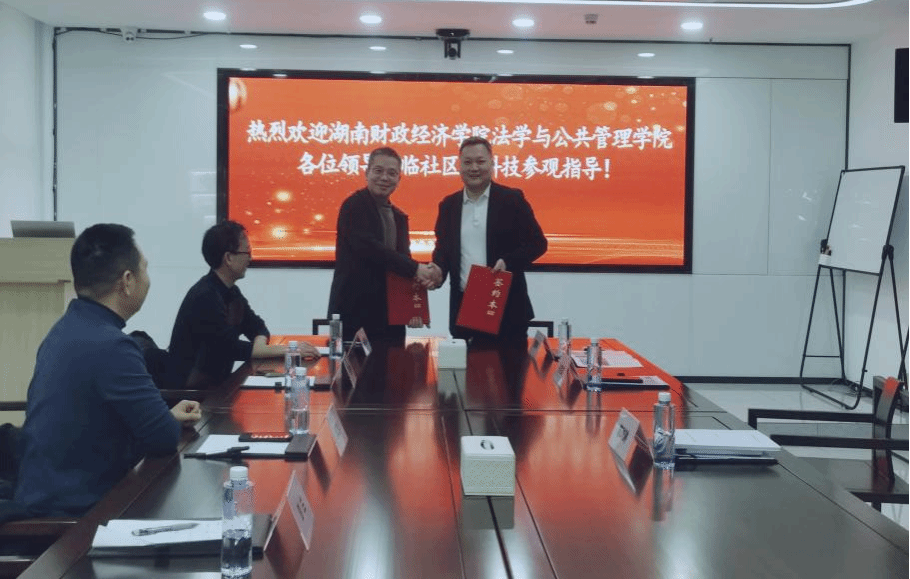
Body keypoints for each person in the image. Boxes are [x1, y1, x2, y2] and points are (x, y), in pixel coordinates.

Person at [13, 224, 201, 517]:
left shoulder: (65, 329)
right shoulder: (112, 345)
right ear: (127, 281)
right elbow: (164, 438)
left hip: (45, 494)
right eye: (145, 269)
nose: (148, 279)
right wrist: (166, 422)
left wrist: (166, 417)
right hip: (74, 515)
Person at [166, 220, 318, 389]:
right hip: (192, 393)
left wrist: (260, 348)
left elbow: (258, 327)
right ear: (229, 258)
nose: (250, 258)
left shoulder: (231, 291)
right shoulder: (205, 296)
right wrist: (291, 350)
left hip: (215, 386)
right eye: (247, 252)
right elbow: (231, 348)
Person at [429, 136, 548, 346]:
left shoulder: (511, 199)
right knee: (467, 368)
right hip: (465, 309)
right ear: (459, 166)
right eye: (467, 162)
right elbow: (443, 250)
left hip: (506, 307)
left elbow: (537, 243)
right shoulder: (449, 205)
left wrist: (508, 262)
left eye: (480, 161)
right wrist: (437, 271)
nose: (474, 168)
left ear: (492, 163)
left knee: (511, 367)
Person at [327, 146, 436, 343]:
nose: (384, 178)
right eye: (378, 171)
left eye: (392, 173)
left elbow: (403, 264)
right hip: (355, 315)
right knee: (354, 364)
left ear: (399, 179)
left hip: (390, 318)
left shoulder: (399, 217)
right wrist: (416, 269)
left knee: (395, 362)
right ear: (367, 173)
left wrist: (413, 309)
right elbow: (370, 249)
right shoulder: (354, 206)